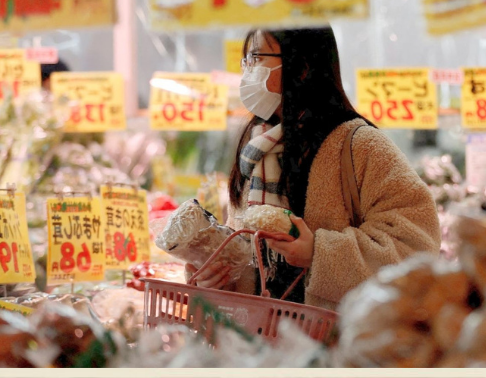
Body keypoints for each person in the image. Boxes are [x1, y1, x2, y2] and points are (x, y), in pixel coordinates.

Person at [186, 25, 441, 311]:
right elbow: (250, 258)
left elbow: (417, 245)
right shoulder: (257, 145)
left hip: (336, 342)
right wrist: (217, 278)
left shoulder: (360, 145)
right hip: (260, 342)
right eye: (246, 61)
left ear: (303, 67)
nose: (247, 72)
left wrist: (318, 253)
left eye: (257, 59)